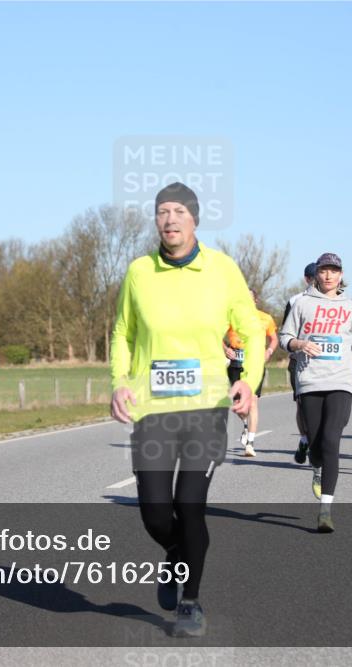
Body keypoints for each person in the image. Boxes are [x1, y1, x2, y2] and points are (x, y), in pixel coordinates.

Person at [110, 182, 262, 638]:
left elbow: (251, 330)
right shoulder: (139, 271)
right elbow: (123, 333)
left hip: (206, 408)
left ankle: (190, 602)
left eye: (178, 211)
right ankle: (177, 553)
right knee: (156, 514)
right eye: (162, 211)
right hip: (152, 409)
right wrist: (119, 382)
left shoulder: (222, 269)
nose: (170, 219)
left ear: (195, 219)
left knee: (189, 505)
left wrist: (248, 381)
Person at [279, 252, 352, 531]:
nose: (329, 275)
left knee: (332, 440)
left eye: (334, 271)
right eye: (324, 270)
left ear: (341, 275)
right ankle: (316, 466)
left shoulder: (349, 306)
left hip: (340, 380)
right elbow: (285, 337)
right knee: (317, 444)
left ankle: (325, 511)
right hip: (310, 380)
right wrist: (299, 344)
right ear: (316, 274)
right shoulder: (301, 303)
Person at [224, 289, 277, 457]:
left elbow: (274, 339)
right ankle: (246, 426)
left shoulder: (265, 318)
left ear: (255, 301)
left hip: (255, 365)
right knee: (239, 405)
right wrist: (225, 348)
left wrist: (269, 351)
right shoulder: (230, 317)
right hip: (236, 365)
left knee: (252, 402)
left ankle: (250, 444)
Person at [280, 263, 317, 463]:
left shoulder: (334, 301)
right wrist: (297, 347)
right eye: (314, 277)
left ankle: (316, 442)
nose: (318, 280)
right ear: (307, 279)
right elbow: (285, 334)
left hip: (324, 364)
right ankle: (305, 440)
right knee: (303, 404)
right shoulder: (295, 301)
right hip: (299, 361)